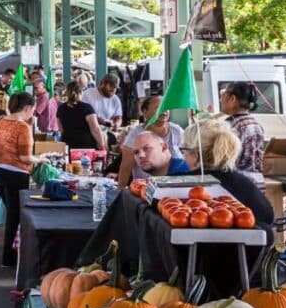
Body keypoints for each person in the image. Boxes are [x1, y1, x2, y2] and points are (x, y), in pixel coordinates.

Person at [178, 118, 274, 296]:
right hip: (247, 285)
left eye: (183, 150)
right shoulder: (245, 184)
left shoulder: (179, 186)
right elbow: (268, 217)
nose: (183, 156)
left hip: (192, 285)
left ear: (195, 155)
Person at [0, 92, 39, 268]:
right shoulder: (22, 128)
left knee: (12, 215)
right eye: (33, 109)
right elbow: (25, 157)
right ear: (27, 108)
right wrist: (41, 159)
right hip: (16, 175)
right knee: (15, 217)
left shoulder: (1, 120)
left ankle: (11, 257)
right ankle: (9, 259)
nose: (33, 113)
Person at [117, 96, 184, 186]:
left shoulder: (176, 130)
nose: (164, 111)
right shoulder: (135, 134)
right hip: (145, 189)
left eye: (166, 107)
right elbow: (125, 168)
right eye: (158, 107)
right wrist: (120, 192)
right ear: (145, 111)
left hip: (176, 187)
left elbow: (189, 159)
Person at [219, 82, 265, 174]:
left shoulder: (229, 126)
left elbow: (224, 162)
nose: (220, 100)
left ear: (232, 99)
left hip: (236, 183)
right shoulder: (257, 125)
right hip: (257, 181)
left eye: (223, 96)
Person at [57, 81, 105, 151]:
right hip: (86, 148)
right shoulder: (87, 108)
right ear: (81, 92)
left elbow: (61, 129)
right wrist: (102, 145)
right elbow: (95, 129)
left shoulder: (60, 108)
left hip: (68, 146)